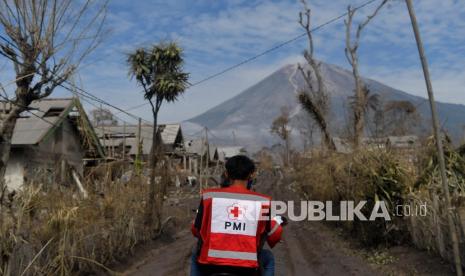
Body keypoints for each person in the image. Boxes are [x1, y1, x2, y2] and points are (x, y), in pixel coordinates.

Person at [190, 155, 284, 276]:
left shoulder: (209, 197)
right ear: (251, 175)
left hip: (210, 265)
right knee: (269, 257)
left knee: (195, 254)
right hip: (247, 268)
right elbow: (274, 234)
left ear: (226, 174)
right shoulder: (262, 202)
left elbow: (196, 230)